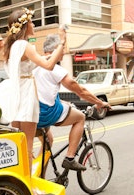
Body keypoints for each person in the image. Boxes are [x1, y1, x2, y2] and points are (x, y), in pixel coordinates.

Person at [33, 34, 111, 171]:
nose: (64, 51)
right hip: (45, 114)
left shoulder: (35, 67)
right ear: (56, 50)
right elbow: (80, 90)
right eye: (63, 48)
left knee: (48, 141)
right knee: (80, 117)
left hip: (32, 114)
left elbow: (45, 93)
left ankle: (39, 175)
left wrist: (64, 102)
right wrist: (99, 103)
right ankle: (70, 158)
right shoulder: (55, 69)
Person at [1, 8, 65, 171]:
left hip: (15, 95)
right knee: (28, 145)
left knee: (17, 143)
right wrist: (61, 44)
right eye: (30, 21)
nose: (33, 24)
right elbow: (49, 66)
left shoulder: (12, 46)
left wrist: (48, 55)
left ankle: (19, 180)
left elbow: (37, 61)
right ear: (24, 26)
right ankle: (29, 186)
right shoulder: (25, 45)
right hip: (26, 95)